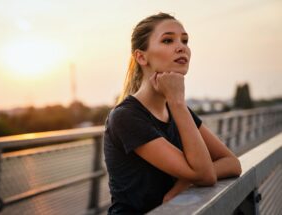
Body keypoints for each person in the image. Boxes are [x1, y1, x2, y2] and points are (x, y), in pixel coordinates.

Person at [103, 12, 242, 214]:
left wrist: (183, 183)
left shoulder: (178, 111)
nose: (181, 47)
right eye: (168, 40)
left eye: (185, 40)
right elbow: (205, 174)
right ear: (141, 56)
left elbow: (232, 163)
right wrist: (177, 101)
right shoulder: (126, 117)